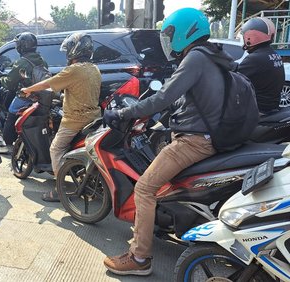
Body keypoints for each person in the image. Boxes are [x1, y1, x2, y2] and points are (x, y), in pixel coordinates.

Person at [102, 8, 236, 276]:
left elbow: (163, 96)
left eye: (170, 35)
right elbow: (184, 99)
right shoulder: (213, 56)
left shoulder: (196, 58)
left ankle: (139, 259)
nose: (167, 41)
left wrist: (123, 112)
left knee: (144, 189)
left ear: (186, 32)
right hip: (210, 135)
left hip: (194, 141)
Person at [21, 32, 101, 202]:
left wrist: (28, 90)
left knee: (55, 149)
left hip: (75, 120)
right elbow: (82, 91)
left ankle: (59, 190)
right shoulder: (94, 69)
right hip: (94, 118)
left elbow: (48, 84)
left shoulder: (73, 70)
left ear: (75, 50)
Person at [0, 32, 48, 147]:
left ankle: (7, 143)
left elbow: (10, 83)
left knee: (11, 113)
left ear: (21, 46)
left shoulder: (22, 62)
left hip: (26, 96)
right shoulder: (42, 60)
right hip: (41, 96)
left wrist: (2, 79)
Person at [237, 17, 284, 113]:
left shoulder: (255, 58)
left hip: (257, 110)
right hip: (271, 106)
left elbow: (233, 78)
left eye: (244, 36)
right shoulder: (274, 54)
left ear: (250, 37)